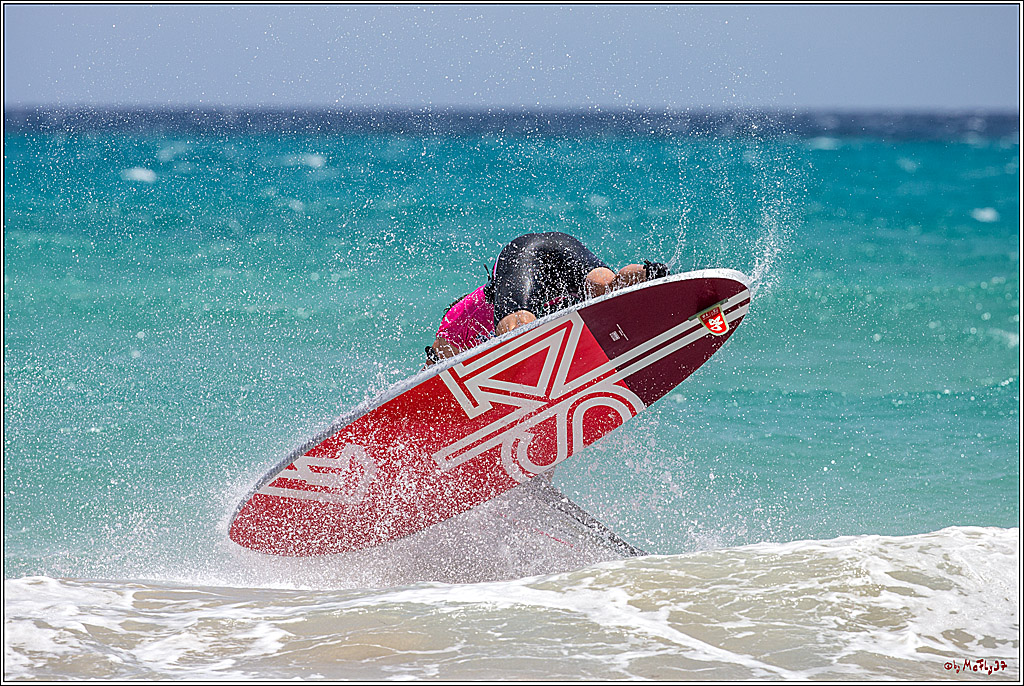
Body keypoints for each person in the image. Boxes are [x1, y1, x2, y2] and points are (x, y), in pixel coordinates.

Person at [425, 231, 669, 365]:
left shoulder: (455, 322)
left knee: (519, 323)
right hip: (562, 244)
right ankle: (650, 274)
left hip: (521, 255)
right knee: (606, 285)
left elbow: (433, 373)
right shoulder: (470, 313)